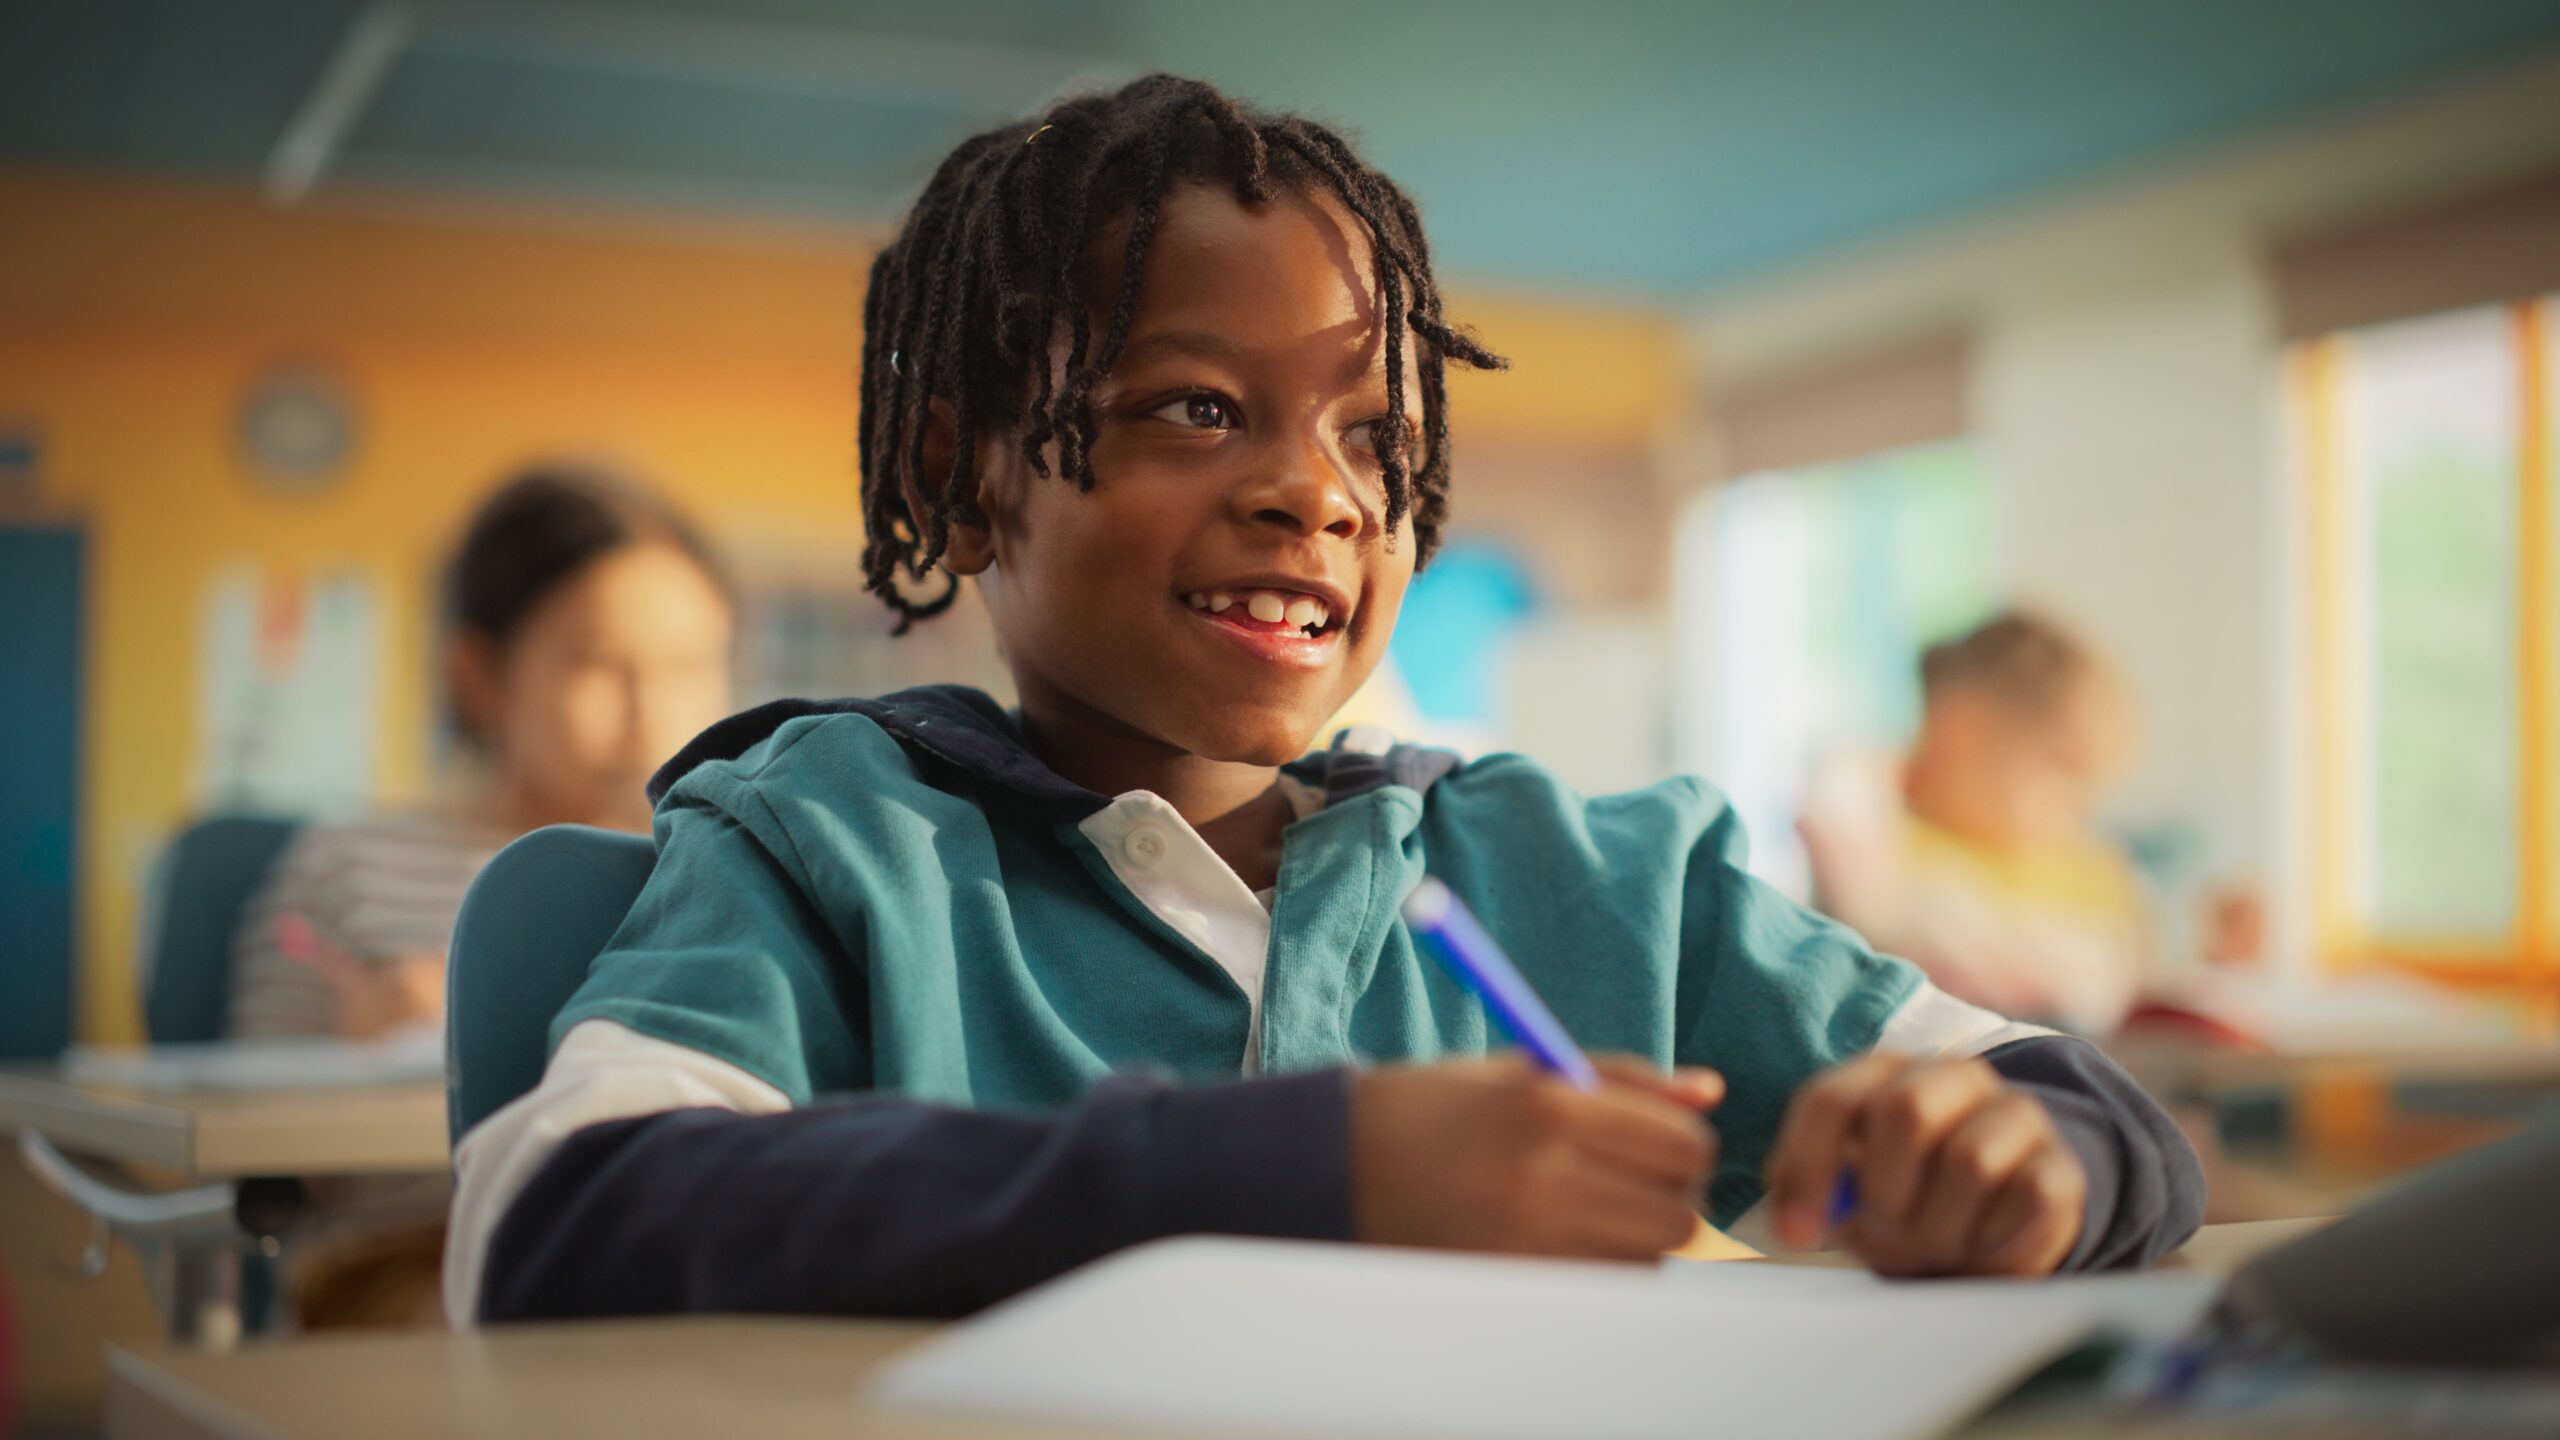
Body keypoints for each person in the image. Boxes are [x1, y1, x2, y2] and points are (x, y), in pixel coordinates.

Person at [448, 76, 2203, 1326]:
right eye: (1199, 407)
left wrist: (2022, 1154)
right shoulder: (829, 844)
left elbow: (2094, 1111)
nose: (1324, 494)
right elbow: (552, 1218)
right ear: (962, 476)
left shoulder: (1584, 878)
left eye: (1378, 437)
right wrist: (1281, 1170)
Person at [227, 462, 735, 1324]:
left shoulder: (732, 871)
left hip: (672, 1246)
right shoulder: (350, 868)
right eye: (600, 664)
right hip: (408, 1262)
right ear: (479, 675)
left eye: (691, 663)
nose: (654, 708)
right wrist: (347, 1053)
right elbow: (251, 1167)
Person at [1798, 610, 2151, 1036]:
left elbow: (2109, 982)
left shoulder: (2081, 869)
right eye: (2064, 769)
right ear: (1962, 731)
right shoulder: (1888, 842)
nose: (2080, 809)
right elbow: (1875, 907)